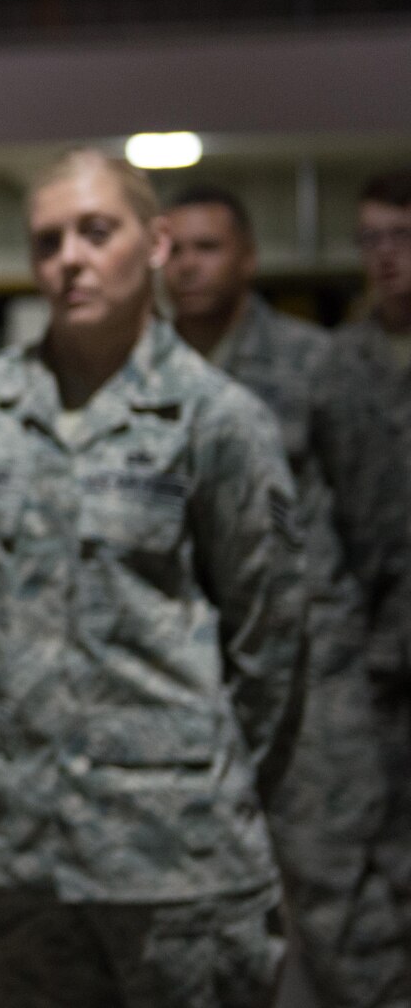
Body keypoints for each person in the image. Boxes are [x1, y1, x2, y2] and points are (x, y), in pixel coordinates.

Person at [0, 150, 309, 1008]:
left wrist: (200, 781)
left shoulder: (218, 419)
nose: (68, 257)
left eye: (95, 231)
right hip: (15, 853)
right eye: (47, 240)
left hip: (175, 863)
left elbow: (273, 639)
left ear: (156, 243)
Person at [163, 184, 410, 1008]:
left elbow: (376, 521)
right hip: (189, 682)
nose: (188, 265)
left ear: (249, 258)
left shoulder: (317, 365)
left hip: (317, 679)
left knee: (344, 906)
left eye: (208, 247)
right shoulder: (146, 373)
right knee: (199, 918)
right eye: (176, 248)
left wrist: (358, 651)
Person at [327, 168, 411, 931]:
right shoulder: (337, 366)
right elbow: (302, 511)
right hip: (369, 660)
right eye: (373, 238)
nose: (387, 255)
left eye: (404, 237)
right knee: (366, 867)